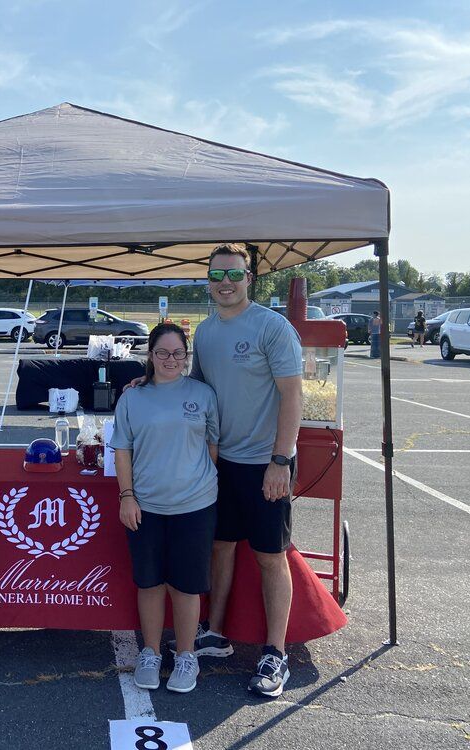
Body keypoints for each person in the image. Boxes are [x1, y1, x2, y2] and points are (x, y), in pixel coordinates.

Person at [186, 243, 303, 698]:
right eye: (217, 276)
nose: (225, 283)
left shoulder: (273, 328)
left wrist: (280, 460)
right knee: (221, 546)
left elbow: (292, 396)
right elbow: (196, 385)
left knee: (272, 557)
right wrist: (151, 380)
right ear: (208, 280)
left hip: (265, 464)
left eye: (234, 275)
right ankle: (215, 632)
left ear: (249, 278)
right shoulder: (206, 331)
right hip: (222, 463)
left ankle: (276, 653)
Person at [111, 323, 219, 695]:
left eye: (178, 354)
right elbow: (122, 450)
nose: (170, 360)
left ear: (186, 357)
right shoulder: (133, 398)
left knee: (187, 586)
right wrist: (127, 496)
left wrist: (195, 482)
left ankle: (187, 655)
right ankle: (151, 652)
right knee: (150, 583)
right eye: (162, 353)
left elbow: (212, 447)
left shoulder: (203, 395)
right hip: (145, 507)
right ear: (150, 356)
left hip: (195, 506)